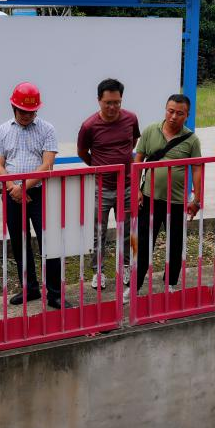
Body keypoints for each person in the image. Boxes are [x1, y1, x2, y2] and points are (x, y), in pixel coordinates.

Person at [0, 83, 71, 309]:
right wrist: (12, 188)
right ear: (13, 107)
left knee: (50, 242)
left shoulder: (47, 129)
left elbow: (47, 165)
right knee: (20, 243)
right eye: (22, 111)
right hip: (12, 194)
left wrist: (23, 187)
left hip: (39, 193)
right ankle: (30, 288)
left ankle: (55, 293)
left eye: (31, 111)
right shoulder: (2, 130)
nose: (27, 116)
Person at [131, 94, 204, 302]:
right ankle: (134, 286)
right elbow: (138, 161)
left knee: (176, 244)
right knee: (142, 243)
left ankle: (170, 284)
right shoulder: (150, 131)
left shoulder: (191, 139)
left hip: (177, 202)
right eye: (170, 111)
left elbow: (197, 169)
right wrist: (136, 189)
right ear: (165, 110)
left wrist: (196, 199)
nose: (173, 116)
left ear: (187, 116)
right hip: (148, 198)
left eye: (179, 113)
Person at [77, 78, 140, 290]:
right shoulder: (89, 126)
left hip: (128, 186)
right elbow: (82, 152)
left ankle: (127, 267)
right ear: (99, 101)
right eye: (108, 103)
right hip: (101, 188)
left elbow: (133, 141)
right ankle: (98, 271)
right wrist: (98, 167)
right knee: (99, 231)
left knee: (129, 230)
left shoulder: (131, 119)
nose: (113, 107)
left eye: (117, 102)